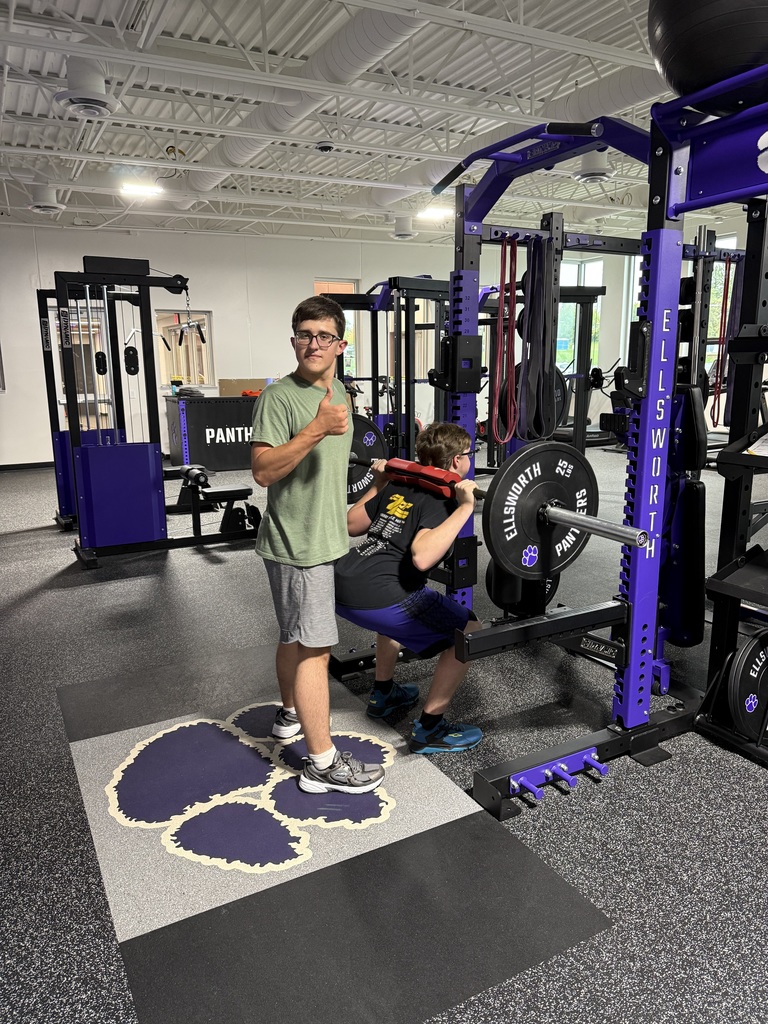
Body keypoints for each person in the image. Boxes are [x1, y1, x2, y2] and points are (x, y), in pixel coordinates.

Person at [250, 295, 385, 795]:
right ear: (293, 341)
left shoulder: (342, 393)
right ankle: (323, 763)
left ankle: (289, 714)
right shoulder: (280, 398)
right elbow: (263, 471)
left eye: (324, 336)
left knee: (293, 636)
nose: (314, 343)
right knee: (315, 650)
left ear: (340, 345)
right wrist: (316, 428)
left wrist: (374, 481)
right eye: (305, 334)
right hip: (298, 546)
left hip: (321, 539)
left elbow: (332, 470)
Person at [334, 421, 485, 754]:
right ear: (458, 461)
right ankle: (431, 729)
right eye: (469, 455)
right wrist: (465, 507)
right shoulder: (442, 497)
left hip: (344, 583)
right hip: (380, 596)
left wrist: (379, 481)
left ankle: (383, 693)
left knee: (404, 598)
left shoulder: (399, 484)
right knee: (469, 630)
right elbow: (421, 557)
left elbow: (352, 524)